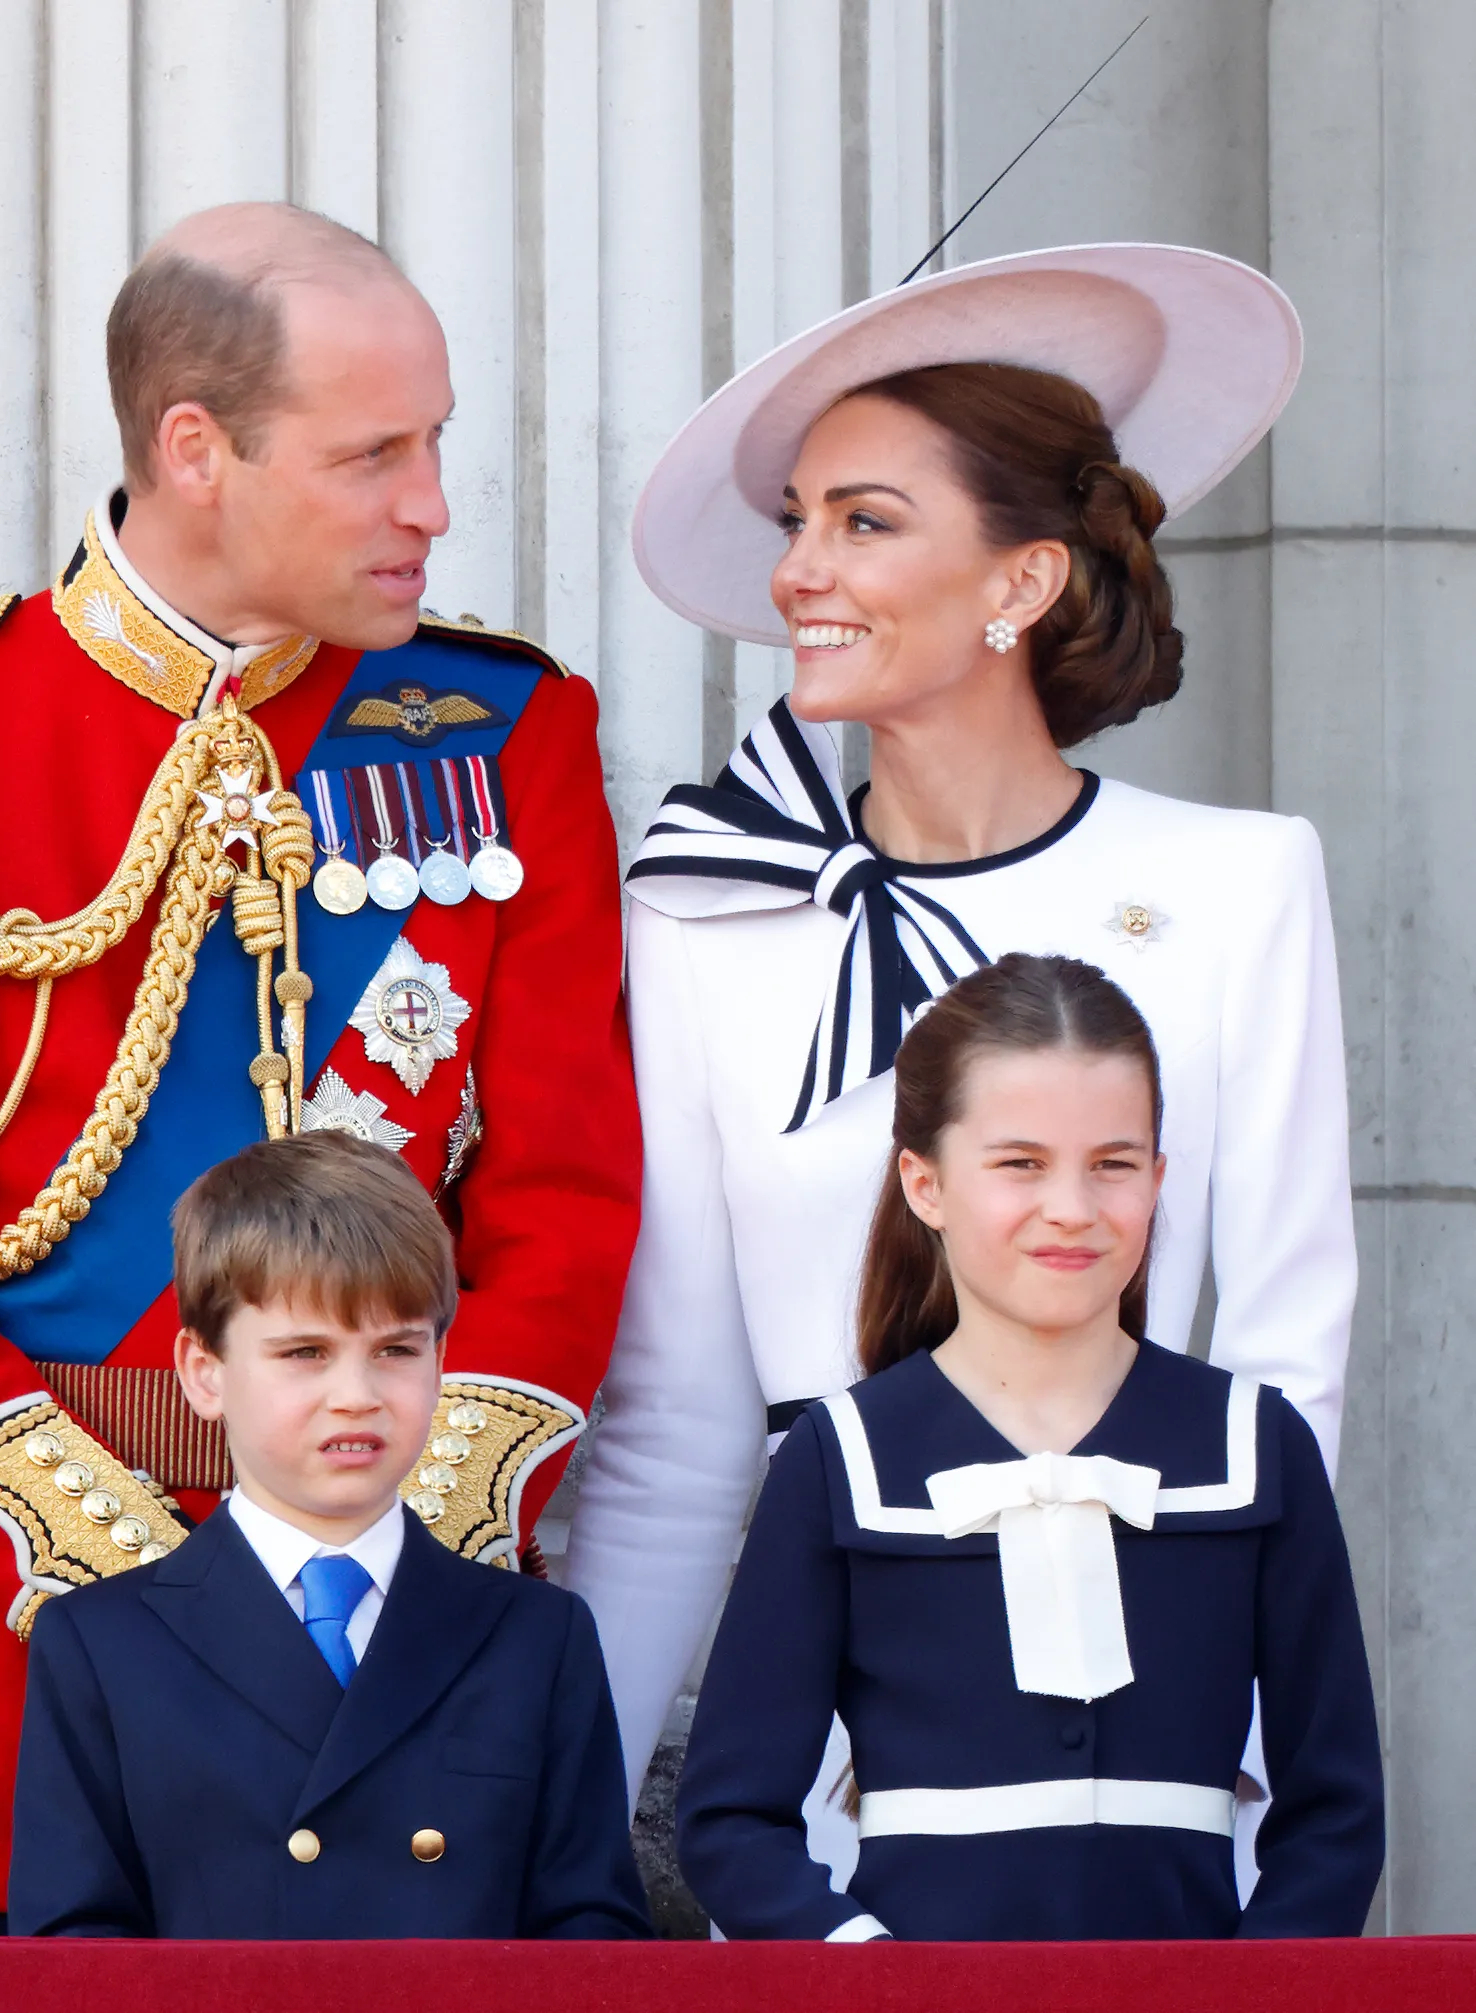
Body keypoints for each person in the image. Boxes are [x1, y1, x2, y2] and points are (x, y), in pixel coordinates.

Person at [0, 201, 637, 1930]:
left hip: (406, 1648)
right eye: (374, 452)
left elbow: (566, 1196)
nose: (432, 502)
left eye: (434, 442)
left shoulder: (508, 731)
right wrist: (141, 1591)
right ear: (194, 448)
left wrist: (403, 1533)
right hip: (26, 1647)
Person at [564, 246, 1354, 1869]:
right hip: (812, 1754)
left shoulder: (1236, 884)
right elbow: (674, 1430)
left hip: (1141, 1709)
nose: (796, 568)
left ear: (1019, 583)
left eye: (861, 519)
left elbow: (1285, 1370)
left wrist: (1252, 1781)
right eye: (793, 518)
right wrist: (557, 1819)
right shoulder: (709, 908)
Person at [676, 954, 1381, 1939]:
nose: (1071, 1208)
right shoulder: (836, 1458)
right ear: (922, 1184)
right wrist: (870, 1978)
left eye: (1112, 1163)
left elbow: (1335, 1816)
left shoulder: (1256, 1447)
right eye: (1019, 1163)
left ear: (1158, 1177)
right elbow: (726, 1821)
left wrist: (1251, 1993)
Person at [8, 1131, 650, 1939]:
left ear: (442, 1357)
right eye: (306, 1352)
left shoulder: (537, 1636)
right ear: (204, 1373)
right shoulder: (101, 1643)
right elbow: (74, 1951)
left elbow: (591, 1934)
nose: (357, 1394)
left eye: (395, 1350)